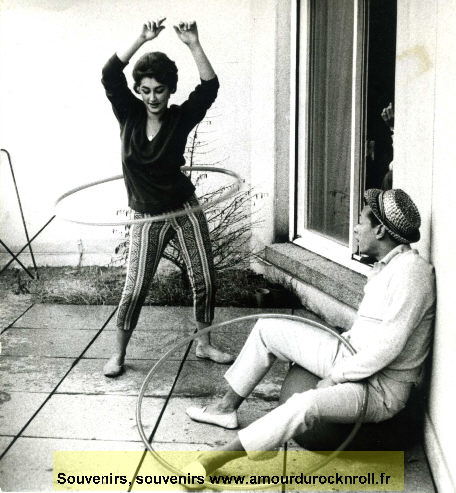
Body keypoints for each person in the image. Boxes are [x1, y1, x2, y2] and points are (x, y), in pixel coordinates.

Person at [185, 188, 436, 476]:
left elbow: (388, 348)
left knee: (303, 403)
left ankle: (213, 460)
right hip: (348, 355)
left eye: (360, 221)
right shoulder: (389, 267)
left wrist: (335, 377)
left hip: (378, 387)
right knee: (267, 328)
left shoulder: (412, 274)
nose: (354, 229)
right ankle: (225, 409)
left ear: (380, 230)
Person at [101, 18, 233, 377]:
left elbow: (209, 87)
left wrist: (194, 44)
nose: (152, 97)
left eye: (159, 90)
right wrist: (141, 38)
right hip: (146, 214)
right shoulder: (128, 112)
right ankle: (118, 354)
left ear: (170, 90)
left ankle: (204, 344)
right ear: (138, 90)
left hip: (183, 207)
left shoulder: (179, 119)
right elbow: (110, 74)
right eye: (145, 90)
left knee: (205, 278)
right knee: (135, 288)